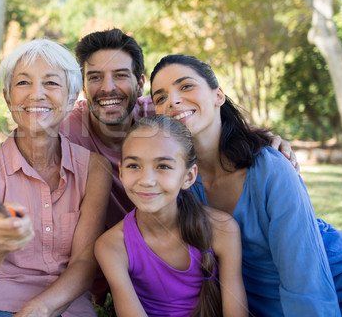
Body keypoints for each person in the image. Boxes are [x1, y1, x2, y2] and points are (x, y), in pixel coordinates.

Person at [150, 54, 342, 316]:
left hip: (336, 286)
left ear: (218, 96)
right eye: (160, 97)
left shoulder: (271, 168)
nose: (173, 100)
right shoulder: (180, 184)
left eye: (186, 86)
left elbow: (307, 283)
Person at [60, 28, 299, 228]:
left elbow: (214, 121)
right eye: (95, 77)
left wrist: (265, 137)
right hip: (120, 256)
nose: (107, 87)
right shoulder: (66, 129)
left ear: (141, 83)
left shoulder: (164, 112)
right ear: (82, 86)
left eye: (121, 75)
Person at [0, 39, 112, 317]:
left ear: (72, 97)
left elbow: (84, 262)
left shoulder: (95, 170)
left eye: (51, 83)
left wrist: (38, 309)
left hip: (67, 304)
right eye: (23, 83)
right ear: (7, 98)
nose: (36, 94)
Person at [95, 114, 248, 316]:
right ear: (121, 173)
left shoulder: (222, 229)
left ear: (188, 176)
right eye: (134, 166)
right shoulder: (112, 246)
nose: (147, 180)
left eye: (163, 166)